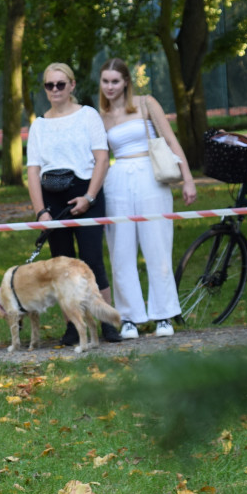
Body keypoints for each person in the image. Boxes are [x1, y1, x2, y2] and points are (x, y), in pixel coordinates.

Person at [98, 58, 197, 339]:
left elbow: (170, 140)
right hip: (117, 181)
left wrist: (187, 178)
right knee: (120, 250)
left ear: (126, 82)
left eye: (115, 81)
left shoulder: (146, 103)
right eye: (105, 81)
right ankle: (129, 317)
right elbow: (99, 157)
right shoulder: (100, 115)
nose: (110, 87)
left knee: (157, 245)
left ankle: (163, 314)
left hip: (151, 176)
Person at [26, 62, 121, 345]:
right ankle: (72, 326)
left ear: (72, 86)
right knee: (63, 266)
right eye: (49, 85)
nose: (55, 90)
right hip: (52, 198)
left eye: (60, 84)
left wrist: (89, 197)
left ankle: (108, 323)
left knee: (91, 260)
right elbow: (32, 170)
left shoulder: (88, 116)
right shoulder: (39, 126)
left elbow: (102, 159)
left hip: (85, 190)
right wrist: (41, 211)